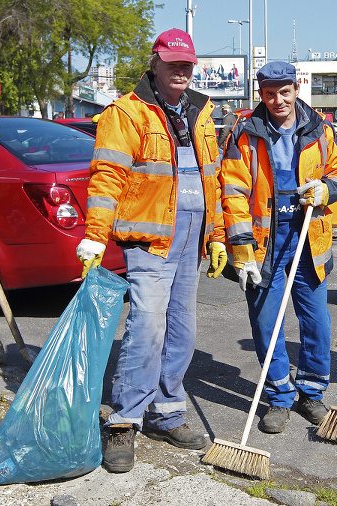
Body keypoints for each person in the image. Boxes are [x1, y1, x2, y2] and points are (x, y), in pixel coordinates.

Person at [75, 28, 228, 473]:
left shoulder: (201, 112)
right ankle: (123, 421)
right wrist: (94, 235)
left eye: (187, 65)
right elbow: (107, 177)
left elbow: (212, 178)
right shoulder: (127, 113)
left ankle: (168, 412)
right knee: (147, 327)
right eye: (173, 63)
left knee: (183, 330)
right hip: (151, 239)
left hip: (192, 237)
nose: (181, 71)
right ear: (156, 63)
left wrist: (216, 235)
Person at [220, 61, 337, 434]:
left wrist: (327, 189)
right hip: (265, 245)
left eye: (284, 91)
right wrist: (241, 249)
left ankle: (312, 392)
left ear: (296, 88)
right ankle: (279, 397)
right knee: (266, 324)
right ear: (260, 93)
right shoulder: (245, 134)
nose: (277, 100)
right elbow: (233, 191)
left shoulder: (321, 129)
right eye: (269, 93)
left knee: (317, 322)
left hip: (309, 238)